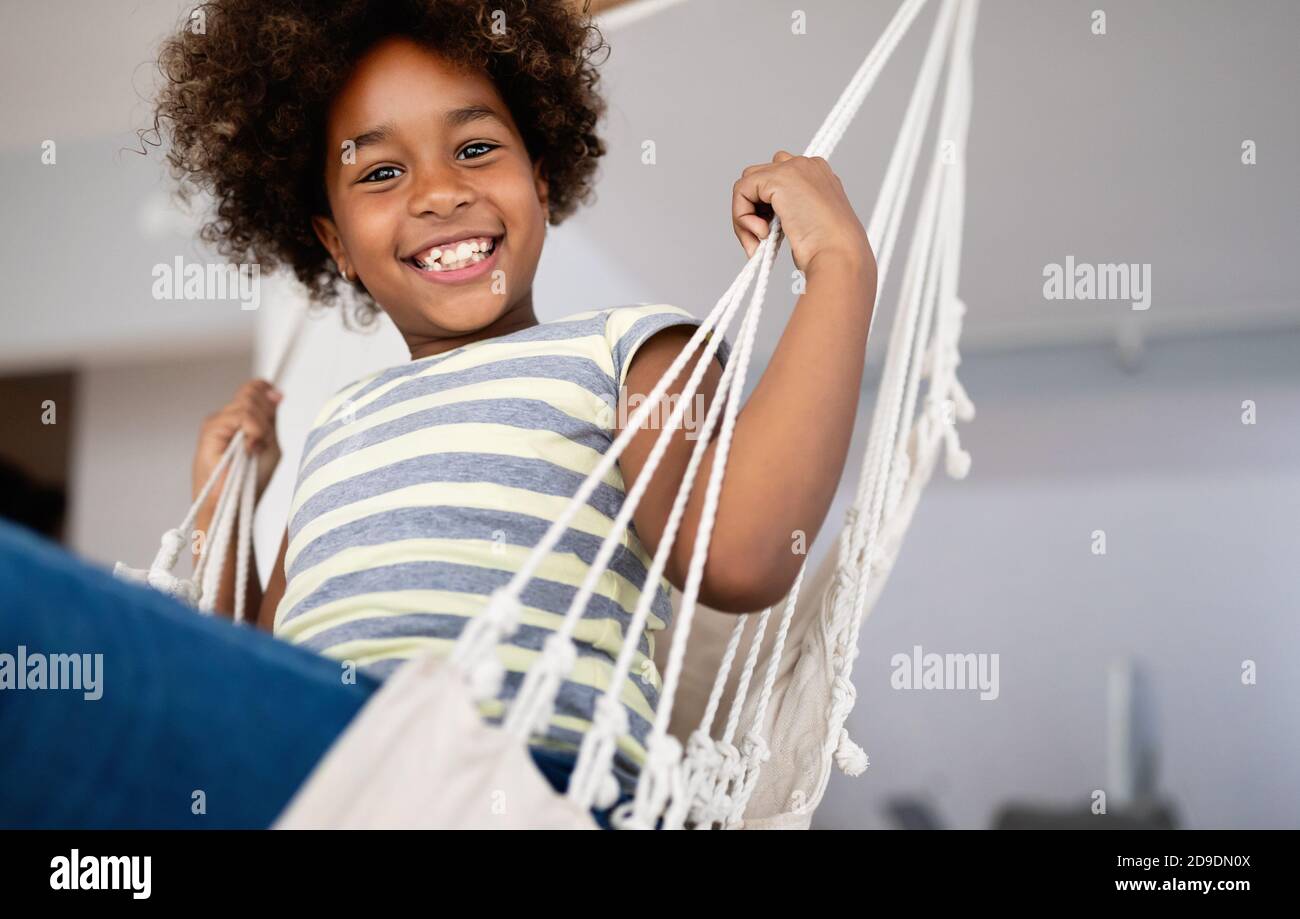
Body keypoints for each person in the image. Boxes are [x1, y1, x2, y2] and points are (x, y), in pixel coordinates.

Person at [2, 0, 877, 829]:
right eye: (381, 171)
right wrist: (225, 515)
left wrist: (837, 263)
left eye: (475, 148)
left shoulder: (623, 350)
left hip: (531, 776)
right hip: (336, 776)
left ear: (540, 179)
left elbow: (741, 549)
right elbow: (253, 673)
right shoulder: (339, 421)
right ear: (336, 243)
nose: (436, 192)